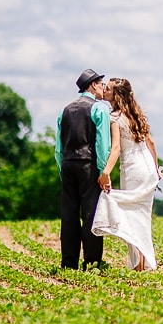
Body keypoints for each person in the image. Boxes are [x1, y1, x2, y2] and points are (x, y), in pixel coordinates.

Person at [91, 78, 163, 271]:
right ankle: (142, 263)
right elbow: (151, 143)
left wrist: (106, 172)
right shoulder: (135, 114)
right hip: (147, 168)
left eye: (108, 89)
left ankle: (140, 264)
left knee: (132, 216)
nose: (105, 91)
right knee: (141, 216)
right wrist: (156, 170)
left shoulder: (114, 117)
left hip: (133, 168)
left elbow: (116, 148)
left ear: (116, 95)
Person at [55, 69, 112, 270]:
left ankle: (69, 263)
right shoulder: (100, 108)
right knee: (91, 214)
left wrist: (63, 170)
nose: (103, 88)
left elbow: (58, 148)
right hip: (89, 165)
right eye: (101, 84)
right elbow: (102, 144)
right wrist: (103, 172)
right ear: (93, 85)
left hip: (68, 164)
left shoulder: (65, 110)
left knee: (69, 215)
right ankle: (92, 262)